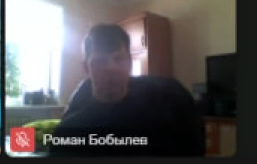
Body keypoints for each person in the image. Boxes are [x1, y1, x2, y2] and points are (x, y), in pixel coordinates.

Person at [46, 25, 206, 157]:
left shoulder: (164, 110)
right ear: (86, 68)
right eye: (100, 61)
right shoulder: (69, 132)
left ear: (130, 63)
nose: (111, 68)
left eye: (119, 59)